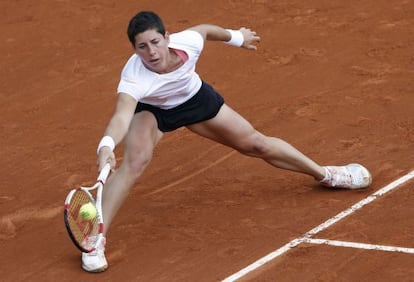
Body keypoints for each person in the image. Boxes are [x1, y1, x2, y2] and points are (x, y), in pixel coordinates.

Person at [81, 11, 372, 272]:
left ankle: (327, 174)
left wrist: (236, 37)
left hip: (194, 100)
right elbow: (122, 116)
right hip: (152, 112)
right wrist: (106, 145)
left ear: (167, 37)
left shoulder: (189, 42)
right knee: (135, 163)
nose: (152, 52)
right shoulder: (135, 78)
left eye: (155, 42)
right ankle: (94, 239)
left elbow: (207, 29)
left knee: (256, 144)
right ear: (134, 49)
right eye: (142, 47)